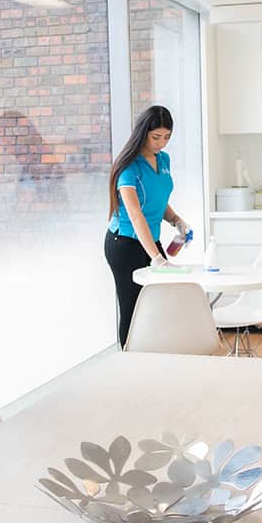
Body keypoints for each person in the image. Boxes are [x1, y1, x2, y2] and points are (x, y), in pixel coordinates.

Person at [103, 105, 190, 349]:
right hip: (125, 244)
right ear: (143, 133)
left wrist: (177, 221)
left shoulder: (163, 160)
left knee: (161, 303)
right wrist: (157, 258)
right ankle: (130, 363)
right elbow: (135, 214)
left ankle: (157, 358)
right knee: (132, 306)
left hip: (150, 241)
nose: (161, 143)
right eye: (156, 137)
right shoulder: (129, 167)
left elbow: (157, 199)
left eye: (167, 137)